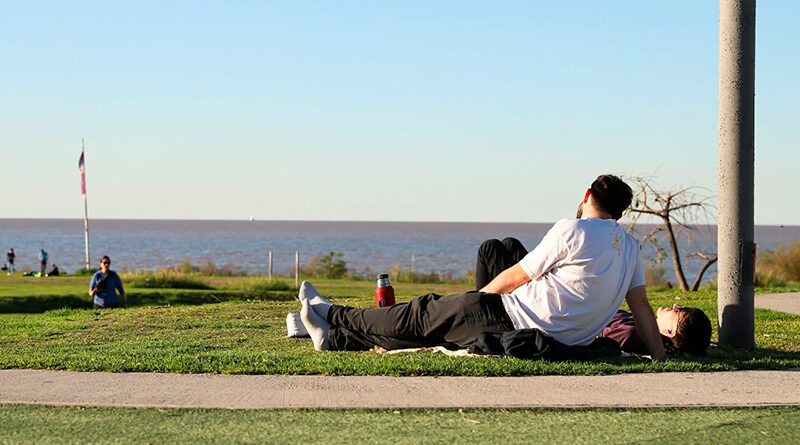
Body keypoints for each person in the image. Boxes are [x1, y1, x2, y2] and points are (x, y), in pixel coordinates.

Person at [299, 174, 667, 360]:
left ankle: (331, 312)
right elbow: (642, 310)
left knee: (421, 314)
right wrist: (660, 358)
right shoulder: (631, 247)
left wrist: (474, 300)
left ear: (586, 197)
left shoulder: (574, 228)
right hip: (553, 338)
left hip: (513, 320)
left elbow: (516, 276)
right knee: (431, 327)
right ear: (620, 213)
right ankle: (335, 338)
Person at [476, 237, 713, 356]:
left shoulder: (632, 334)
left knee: (491, 249)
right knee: (509, 245)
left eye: (679, 311)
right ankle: (476, 306)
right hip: (559, 305)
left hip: (548, 313)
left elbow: (590, 334)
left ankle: (476, 311)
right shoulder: (641, 327)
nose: (675, 304)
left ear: (669, 332)